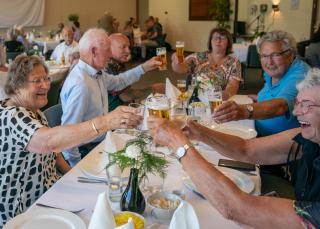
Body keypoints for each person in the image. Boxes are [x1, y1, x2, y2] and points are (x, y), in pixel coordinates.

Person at [148, 68, 320, 228]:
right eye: (297, 103)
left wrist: (178, 144)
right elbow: (246, 149)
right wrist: (199, 132)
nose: (296, 112)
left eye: (306, 104)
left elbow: (237, 208)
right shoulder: (309, 138)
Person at [0, 55, 141, 227]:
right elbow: (49, 142)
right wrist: (106, 121)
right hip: (24, 208)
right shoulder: (13, 115)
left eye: (46, 79)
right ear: (17, 85)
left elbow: (55, 153)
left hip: (51, 192)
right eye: (36, 80)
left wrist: (73, 175)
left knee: (104, 202)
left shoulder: (34, 111)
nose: (45, 86)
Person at [60, 28, 161, 167]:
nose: (110, 54)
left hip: (104, 139)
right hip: (88, 149)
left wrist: (144, 67)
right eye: (107, 50)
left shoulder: (95, 72)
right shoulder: (81, 85)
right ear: (94, 51)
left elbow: (118, 82)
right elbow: (67, 134)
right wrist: (76, 166)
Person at [213, 30, 310, 136]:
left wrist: (242, 111)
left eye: (275, 55)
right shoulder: (275, 72)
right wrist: (260, 98)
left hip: (280, 144)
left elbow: (281, 106)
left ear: (290, 55)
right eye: (264, 56)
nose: (269, 62)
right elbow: (276, 94)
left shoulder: (301, 74)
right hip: (256, 130)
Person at [171, 27, 242, 100]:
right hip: (194, 100)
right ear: (210, 42)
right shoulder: (198, 57)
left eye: (222, 38)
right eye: (215, 38)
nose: (218, 40)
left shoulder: (234, 62)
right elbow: (179, 68)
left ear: (228, 43)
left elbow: (232, 86)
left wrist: (223, 95)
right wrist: (175, 60)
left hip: (218, 101)